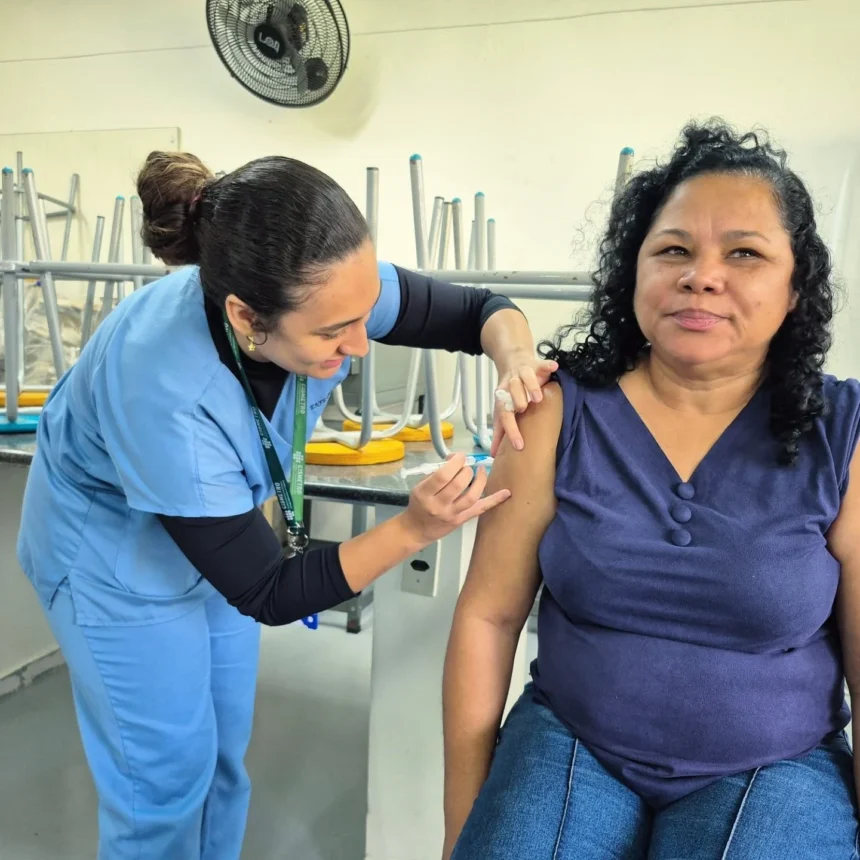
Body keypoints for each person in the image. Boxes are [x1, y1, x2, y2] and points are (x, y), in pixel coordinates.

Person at [15, 150, 556, 860]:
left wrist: (515, 357)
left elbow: (481, 312)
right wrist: (413, 527)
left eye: (363, 315)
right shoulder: (166, 387)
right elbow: (269, 590)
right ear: (246, 317)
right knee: (162, 785)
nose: (360, 345)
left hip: (217, 533)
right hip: (112, 565)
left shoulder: (326, 285)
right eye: (334, 333)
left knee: (222, 756)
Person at [442, 121, 860, 859]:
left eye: (745, 253)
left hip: (775, 764)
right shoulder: (555, 412)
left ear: (795, 288)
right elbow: (489, 615)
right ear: (632, 271)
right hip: (574, 742)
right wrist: (463, 826)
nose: (702, 275)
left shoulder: (843, 434)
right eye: (673, 250)